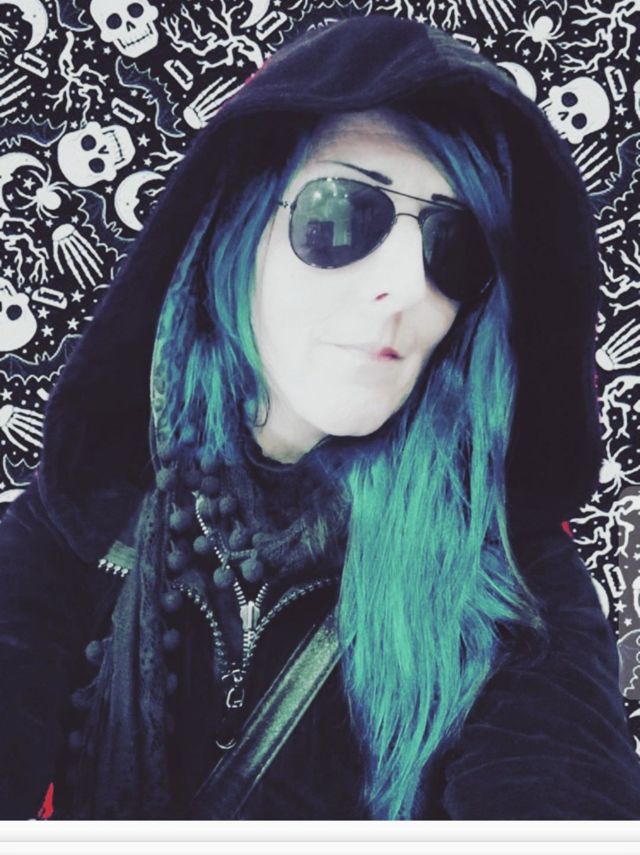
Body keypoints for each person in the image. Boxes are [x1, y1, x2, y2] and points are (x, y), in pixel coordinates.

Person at [1, 14, 640, 821]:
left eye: (454, 245)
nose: (410, 287)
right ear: (241, 229)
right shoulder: (87, 504)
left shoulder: (508, 573)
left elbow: (561, 778)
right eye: (344, 211)